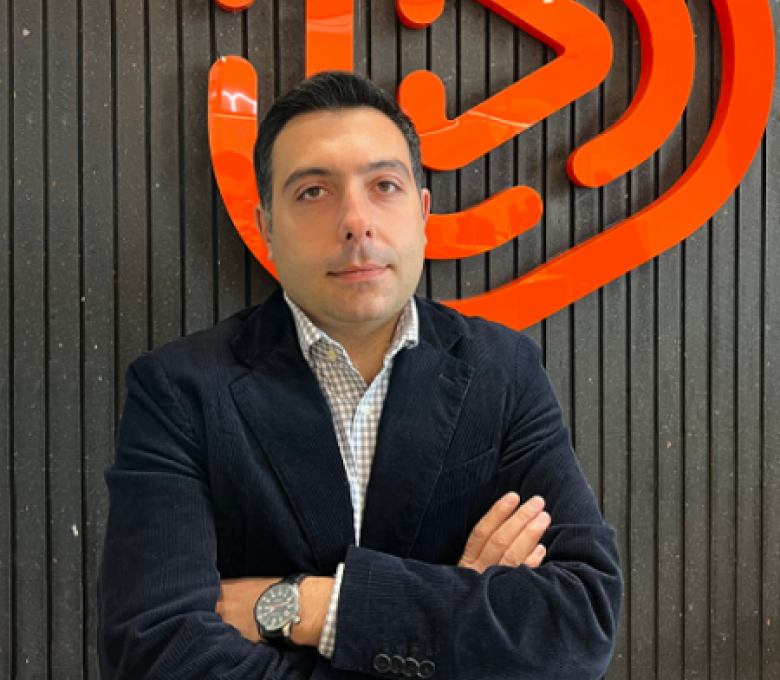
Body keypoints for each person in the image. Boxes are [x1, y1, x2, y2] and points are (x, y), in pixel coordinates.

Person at [97, 71, 622, 679]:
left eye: (384, 186)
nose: (355, 221)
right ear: (266, 227)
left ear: (422, 212)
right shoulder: (180, 391)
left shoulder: (501, 371)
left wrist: (311, 605)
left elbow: (579, 623)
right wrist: (455, 614)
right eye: (313, 192)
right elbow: (155, 655)